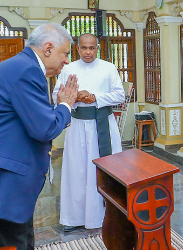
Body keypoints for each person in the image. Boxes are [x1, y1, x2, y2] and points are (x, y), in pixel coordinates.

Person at [0, 23, 78, 250]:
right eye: (66, 53)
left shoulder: (19, 65)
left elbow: (29, 117)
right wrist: (65, 106)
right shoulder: (27, 70)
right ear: (48, 48)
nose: (67, 60)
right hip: (2, 183)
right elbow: (44, 129)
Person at [53, 33, 125, 232]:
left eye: (91, 48)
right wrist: (75, 97)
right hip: (77, 126)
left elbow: (120, 94)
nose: (87, 52)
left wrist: (94, 97)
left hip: (103, 125)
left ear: (97, 48)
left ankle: (107, 216)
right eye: (84, 48)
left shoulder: (108, 68)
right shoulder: (68, 69)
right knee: (77, 171)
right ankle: (73, 218)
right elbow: (55, 95)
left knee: (104, 170)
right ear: (77, 48)